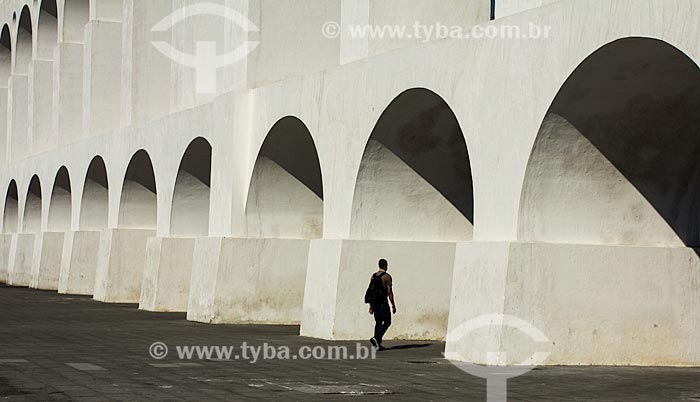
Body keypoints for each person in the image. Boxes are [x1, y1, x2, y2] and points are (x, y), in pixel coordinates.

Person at [368, 258, 396, 350]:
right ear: (385, 265)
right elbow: (389, 292)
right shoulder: (387, 277)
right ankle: (376, 338)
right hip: (383, 302)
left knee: (378, 322)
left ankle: (377, 344)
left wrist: (371, 305)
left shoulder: (374, 276)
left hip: (375, 303)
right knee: (387, 321)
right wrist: (393, 304)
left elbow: (371, 292)